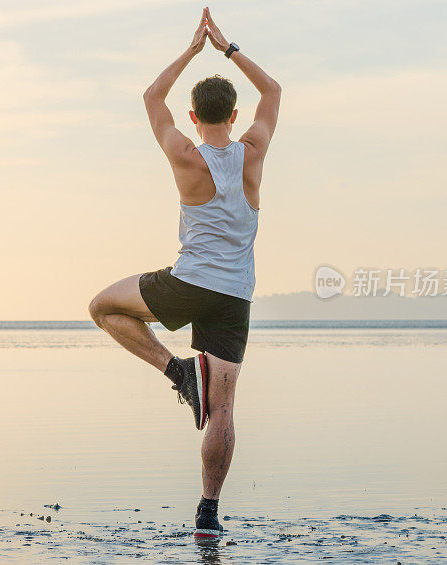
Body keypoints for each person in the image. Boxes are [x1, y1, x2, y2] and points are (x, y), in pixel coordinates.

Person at [88, 7, 281, 540]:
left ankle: (175, 372)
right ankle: (207, 516)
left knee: (102, 307)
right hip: (235, 296)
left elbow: (152, 97)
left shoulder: (184, 154)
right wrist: (227, 48)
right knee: (223, 410)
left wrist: (192, 50)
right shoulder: (254, 152)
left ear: (193, 116)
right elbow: (275, 92)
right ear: (235, 114)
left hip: (189, 284)